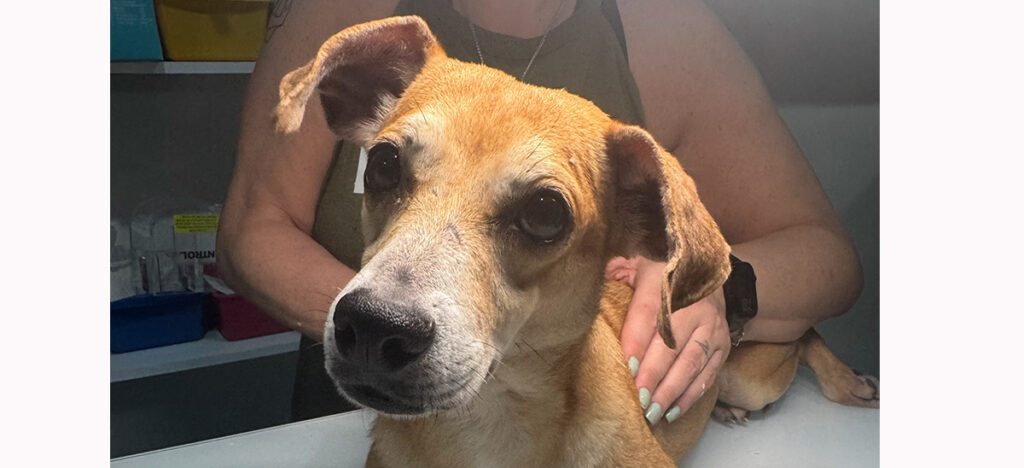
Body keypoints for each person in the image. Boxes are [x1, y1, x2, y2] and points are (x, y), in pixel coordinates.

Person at [217, 0, 864, 423]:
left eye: (544, 214)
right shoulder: (350, 12)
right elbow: (252, 227)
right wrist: (404, 345)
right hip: (343, 434)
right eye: (389, 169)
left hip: (564, 443)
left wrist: (721, 289)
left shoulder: (669, 34)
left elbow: (826, 256)